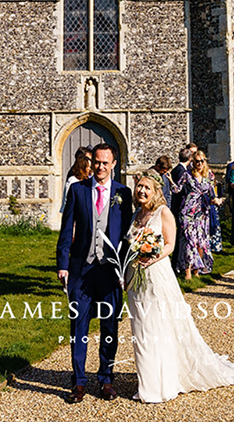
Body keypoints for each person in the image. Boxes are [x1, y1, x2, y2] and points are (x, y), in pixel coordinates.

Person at [127, 170, 234, 402]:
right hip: (136, 279)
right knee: (141, 331)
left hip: (156, 277)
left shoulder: (163, 213)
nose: (141, 191)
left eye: (146, 188)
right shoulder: (136, 215)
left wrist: (152, 257)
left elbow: (171, 245)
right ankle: (147, 382)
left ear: (156, 191)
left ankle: (162, 385)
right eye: (139, 186)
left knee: (158, 329)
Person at [56, 143, 133, 402]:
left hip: (111, 273)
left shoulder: (124, 193)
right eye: (96, 162)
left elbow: (127, 235)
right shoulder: (77, 190)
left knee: (110, 326)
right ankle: (78, 382)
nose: (99, 167)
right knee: (78, 326)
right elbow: (67, 229)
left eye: (104, 162)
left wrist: (127, 269)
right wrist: (63, 265)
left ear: (113, 164)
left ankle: (106, 379)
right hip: (81, 269)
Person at [174, 150, 221, 280]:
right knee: (189, 241)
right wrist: (167, 181)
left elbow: (212, 194)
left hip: (203, 212)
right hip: (188, 212)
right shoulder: (187, 174)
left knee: (201, 242)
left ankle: (197, 269)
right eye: (196, 161)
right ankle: (187, 270)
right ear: (193, 162)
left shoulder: (209, 175)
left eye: (201, 161)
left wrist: (217, 200)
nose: (199, 163)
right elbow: (177, 190)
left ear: (205, 161)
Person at [61, 147, 92, 213]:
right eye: (88, 167)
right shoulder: (73, 180)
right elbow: (67, 200)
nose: (90, 169)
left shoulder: (89, 178)